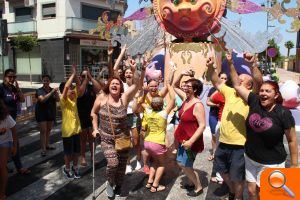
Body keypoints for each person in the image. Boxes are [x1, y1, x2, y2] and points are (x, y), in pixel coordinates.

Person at [225, 52, 298, 200]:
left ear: (276, 95)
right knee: (252, 192)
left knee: (269, 195)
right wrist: (230, 63)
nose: (263, 93)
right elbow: (237, 85)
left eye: (268, 91)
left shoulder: (283, 113)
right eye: (262, 91)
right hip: (251, 158)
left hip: (273, 163)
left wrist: (295, 164)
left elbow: (292, 140)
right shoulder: (254, 101)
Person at [207, 51, 263, 200]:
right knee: (222, 170)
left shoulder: (251, 97)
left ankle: (238, 197)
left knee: (238, 176)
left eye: (241, 79)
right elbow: (216, 82)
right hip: (223, 142)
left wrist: (252, 66)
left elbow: (259, 82)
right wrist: (210, 68)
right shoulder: (230, 92)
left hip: (239, 145)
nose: (237, 79)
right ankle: (233, 192)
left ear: (249, 86)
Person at [91, 59, 145, 198]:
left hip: (122, 137)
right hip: (107, 138)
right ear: (108, 86)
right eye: (112, 83)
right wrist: (95, 128)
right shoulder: (101, 98)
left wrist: (134, 70)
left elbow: (138, 85)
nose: (115, 85)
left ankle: (119, 184)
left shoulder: (125, 98)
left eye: (117, 84)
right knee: (113, 163)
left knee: (121, 166)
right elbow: (93, 113)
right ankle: (110, 182)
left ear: (121, 87)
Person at [173, 70, 206, 197]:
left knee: (186, 165)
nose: (185, 87)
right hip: (182, 140)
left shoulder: (198, 105)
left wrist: (191, 141)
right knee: (181, 162)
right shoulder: (185, 99)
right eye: (185, 85)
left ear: (195, 90)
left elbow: (202, 125)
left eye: (188, 86)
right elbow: (175, 85)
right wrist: (182, 74)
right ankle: (192, 182)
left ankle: (198, 187)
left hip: (191, 142)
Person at [140, 84, 175, 192]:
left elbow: (141, 102)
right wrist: (169, 85)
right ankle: (155, 186)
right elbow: (173, 98)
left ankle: (150, 181)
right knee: (162, 164)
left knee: (155, 162)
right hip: (158, 143)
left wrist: (145, 93)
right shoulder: (164, 113)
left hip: (147, 142)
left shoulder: (149, 111)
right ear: (162, 105)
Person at [0, 69, 30, 175]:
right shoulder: (1, 88)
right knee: (8, 143)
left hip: (11, 121)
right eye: (10, 77)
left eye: (14, 77)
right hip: (2, 120)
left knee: (13, 143)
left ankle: (16, 167)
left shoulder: (13, 88)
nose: (12, 79)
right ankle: (10, 166)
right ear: (5, 77)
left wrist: (18, 89)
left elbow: (22, 100)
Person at [59, 65, 83, 180]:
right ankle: (67, 168)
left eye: (73, 90)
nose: (72, 91)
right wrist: (72, 75)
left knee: (77, 151)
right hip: (67, 132)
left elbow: (78, 85)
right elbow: (67, 86)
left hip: (76, 130)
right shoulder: (63, 101)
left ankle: (75, 168)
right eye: (70, 90)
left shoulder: (75, 99)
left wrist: (76, 74)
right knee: (68, 153)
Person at [77, 68, 102, 166]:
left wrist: (91, 78)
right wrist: (84, 80)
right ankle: (83, 157)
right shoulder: (78, 87)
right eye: (83, 76)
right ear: (80, 77)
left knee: (92, 138)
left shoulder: (92, 87)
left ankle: (92, 156)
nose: (85, 78)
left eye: (87, 75)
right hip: (82, 116)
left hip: (92, 116)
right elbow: (81, 92)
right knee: (83, 139)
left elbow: (99, 89)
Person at [35, 75, 59, 157]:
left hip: (50, 113)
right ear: (42, 81)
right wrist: (52, 92)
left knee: (48, 130)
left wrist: (56, 93)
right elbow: (42, 100)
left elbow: (58, 100)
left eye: (47, 80)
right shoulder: (39, 90)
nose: (45, 82)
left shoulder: (52, 90)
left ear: (50, 81)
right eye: (44, 80)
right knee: (43, 131)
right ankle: (43, 149)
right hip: (41, 113)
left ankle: (47, 145)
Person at [0, 100, 17, 200]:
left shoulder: (6, 117)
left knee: (1, 167)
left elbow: (14, 131)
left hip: (5, 142)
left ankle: (2, 193)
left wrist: (14, 146)